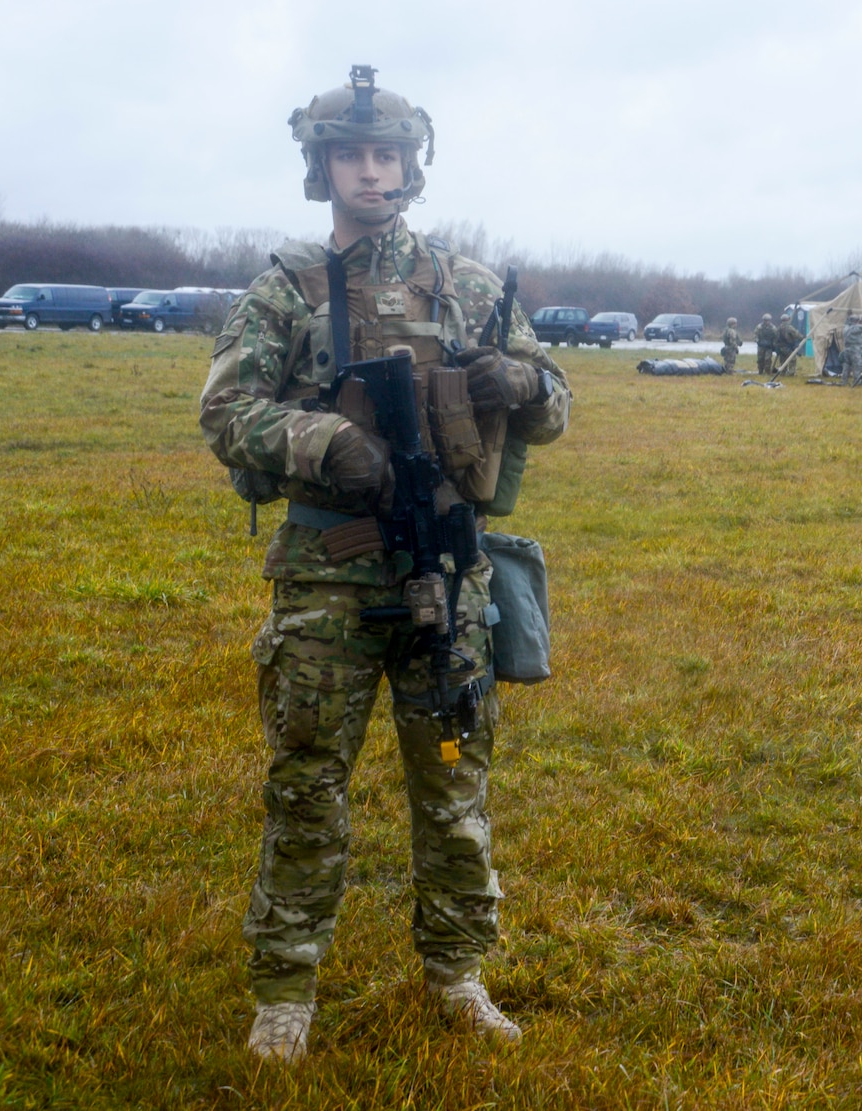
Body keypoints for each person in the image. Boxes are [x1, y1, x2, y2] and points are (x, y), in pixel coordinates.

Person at [199, 65, 572, 1062]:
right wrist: (327, 444)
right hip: (328, 577)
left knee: (452, 784)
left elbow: (556, 404)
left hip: (447, 579)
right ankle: (284, 990)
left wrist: (516, 378)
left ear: (413, 165)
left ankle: (456, 972)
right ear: (320, 169)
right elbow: (225, 414)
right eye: (351, 155)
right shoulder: (283, 291)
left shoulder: (472, 286)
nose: (371, 170)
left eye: (387, 154)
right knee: (307, 784)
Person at [773, 312, 804, 377]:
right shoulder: (789, 328)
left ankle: (782, 373)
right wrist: (802, 337)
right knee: (792, 360)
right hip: (788, 347)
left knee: (783, 361)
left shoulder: (778, 328)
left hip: (781, 347)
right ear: (788, 319)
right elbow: (796, 334)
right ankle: (791, 373)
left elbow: (775, 338)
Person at [842, 315, 862, 385]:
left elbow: (846, 322)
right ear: (856, 321)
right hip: (855, 350)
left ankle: (844, 382)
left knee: (846, 367)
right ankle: (857, 382)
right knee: (857, 366)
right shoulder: (856, 328)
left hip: (846, 349)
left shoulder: (846, 328)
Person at [753, 313, 778, 378]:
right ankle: (760, 371)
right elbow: (755, 334)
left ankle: (767, 372)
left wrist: (774, 344)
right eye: (765, 320)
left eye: (768, 320)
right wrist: (757, 341)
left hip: (769, 346)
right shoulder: (759, 327)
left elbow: (776, 337)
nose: (767, 322)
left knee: (768, 359)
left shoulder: (773, 328)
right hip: (761, 345)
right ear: (763, 320)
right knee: (760, 359)